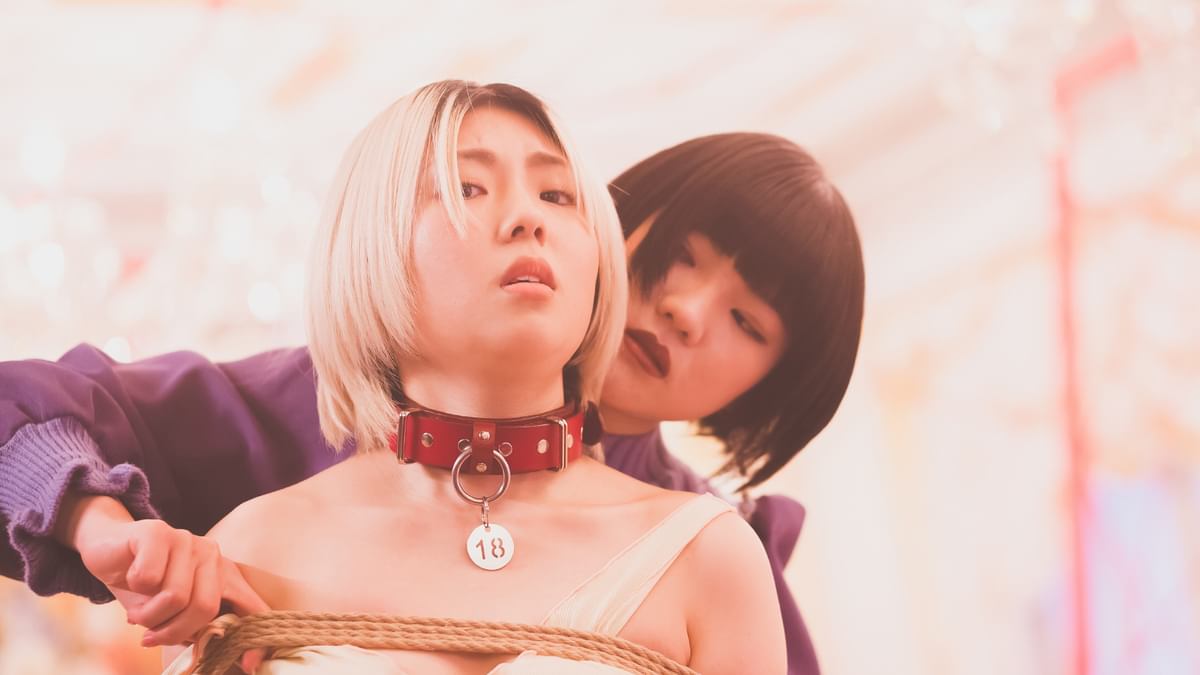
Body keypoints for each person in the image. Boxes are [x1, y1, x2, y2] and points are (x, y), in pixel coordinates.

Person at [0, 93, 863, 675]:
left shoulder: (714, 552)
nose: (685, 310)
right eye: (676, 256)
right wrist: (108, 529)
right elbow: (21, 416)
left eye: (748, 323)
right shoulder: (293, 430)